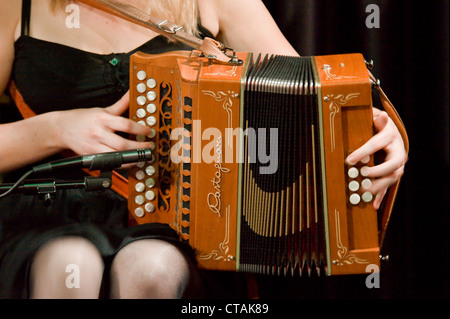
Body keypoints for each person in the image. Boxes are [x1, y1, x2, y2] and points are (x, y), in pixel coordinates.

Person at [0, 0, 407, 299]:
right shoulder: (19, 6)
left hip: (176, 229)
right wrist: (54, 129)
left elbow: (318, 106)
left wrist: (378, 134)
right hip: (45, 212)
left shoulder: (212, 2)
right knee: (72, 262)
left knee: (151, 268)